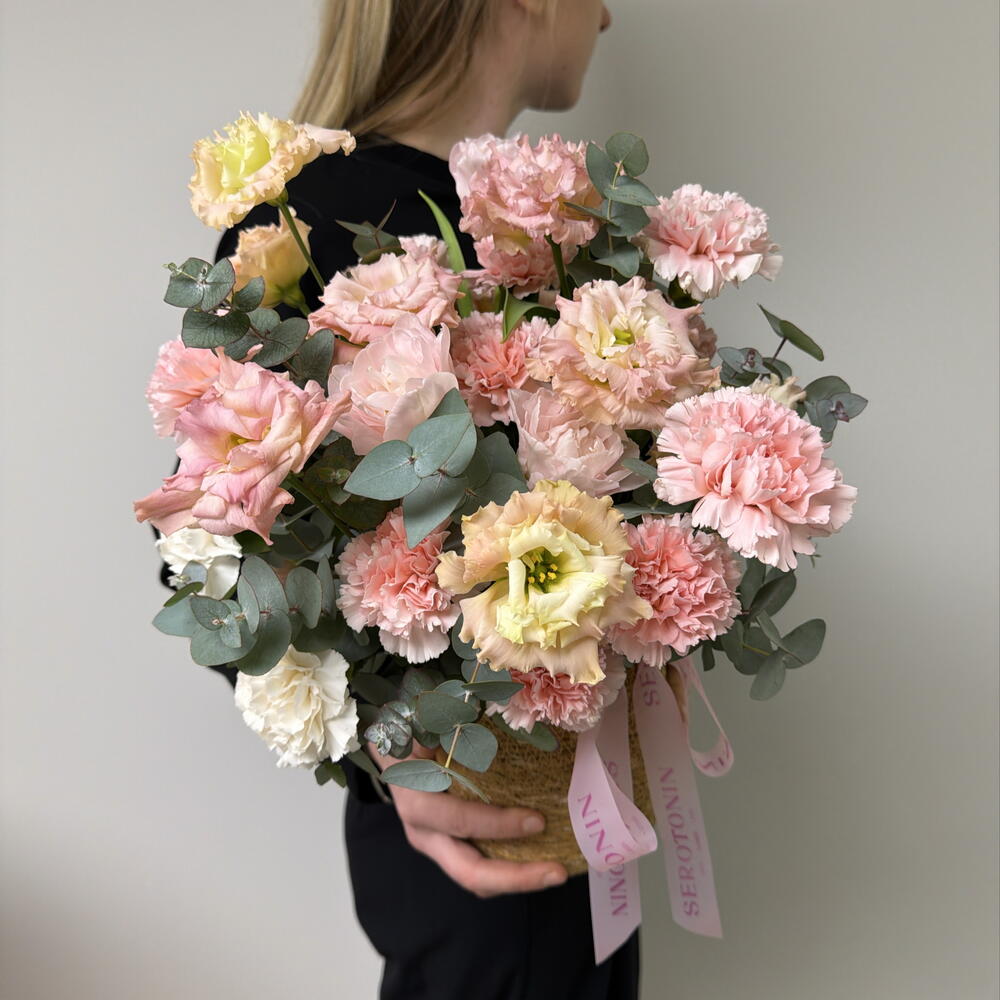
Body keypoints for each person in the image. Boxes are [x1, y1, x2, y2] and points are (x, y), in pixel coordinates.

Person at [160, 2, 636, 997]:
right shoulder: (313, 217)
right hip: (476, 862)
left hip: (561, 823)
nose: (604, 17)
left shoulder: (540, 230)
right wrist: (388, 753)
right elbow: (209, 557)